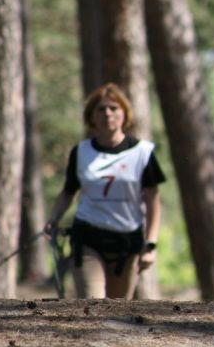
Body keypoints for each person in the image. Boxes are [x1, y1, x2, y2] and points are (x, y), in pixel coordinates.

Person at [44, 83, 166, 299]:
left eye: (113, 108)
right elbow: (68, 192)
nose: (107, 114)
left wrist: (151, 244)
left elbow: (152, 199)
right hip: (89, 240)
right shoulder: (81, 152)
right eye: (100, 109)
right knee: (93, 304)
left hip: (128, 244)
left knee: (118, 309)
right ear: (91, 116)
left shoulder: (143, 152)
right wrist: (53, 219)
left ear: (124, 114)